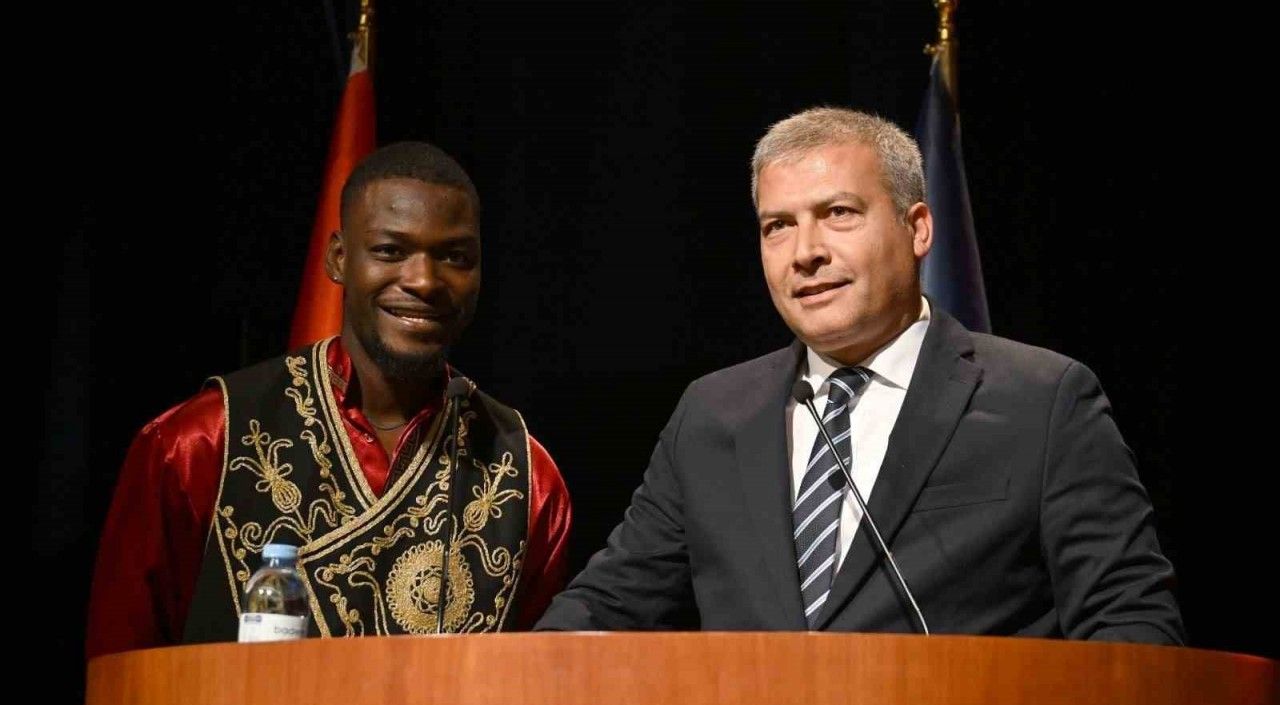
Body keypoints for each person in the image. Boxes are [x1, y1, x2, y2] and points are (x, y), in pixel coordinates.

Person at [536, 107, 1183, 643]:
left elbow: (1131, 626)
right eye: (778, 226)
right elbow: (609, 606)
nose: (806, 252)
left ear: (917, 228)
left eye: (839, 213)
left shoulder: (1042, 400)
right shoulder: (713, 413)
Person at [87, 142, 571, 658]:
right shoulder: (200, 445)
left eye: (454, 257)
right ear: (339, 259)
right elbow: (122, 676)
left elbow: (534, 682)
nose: (424, 281)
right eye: (390, 251)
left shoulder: (525, 478)